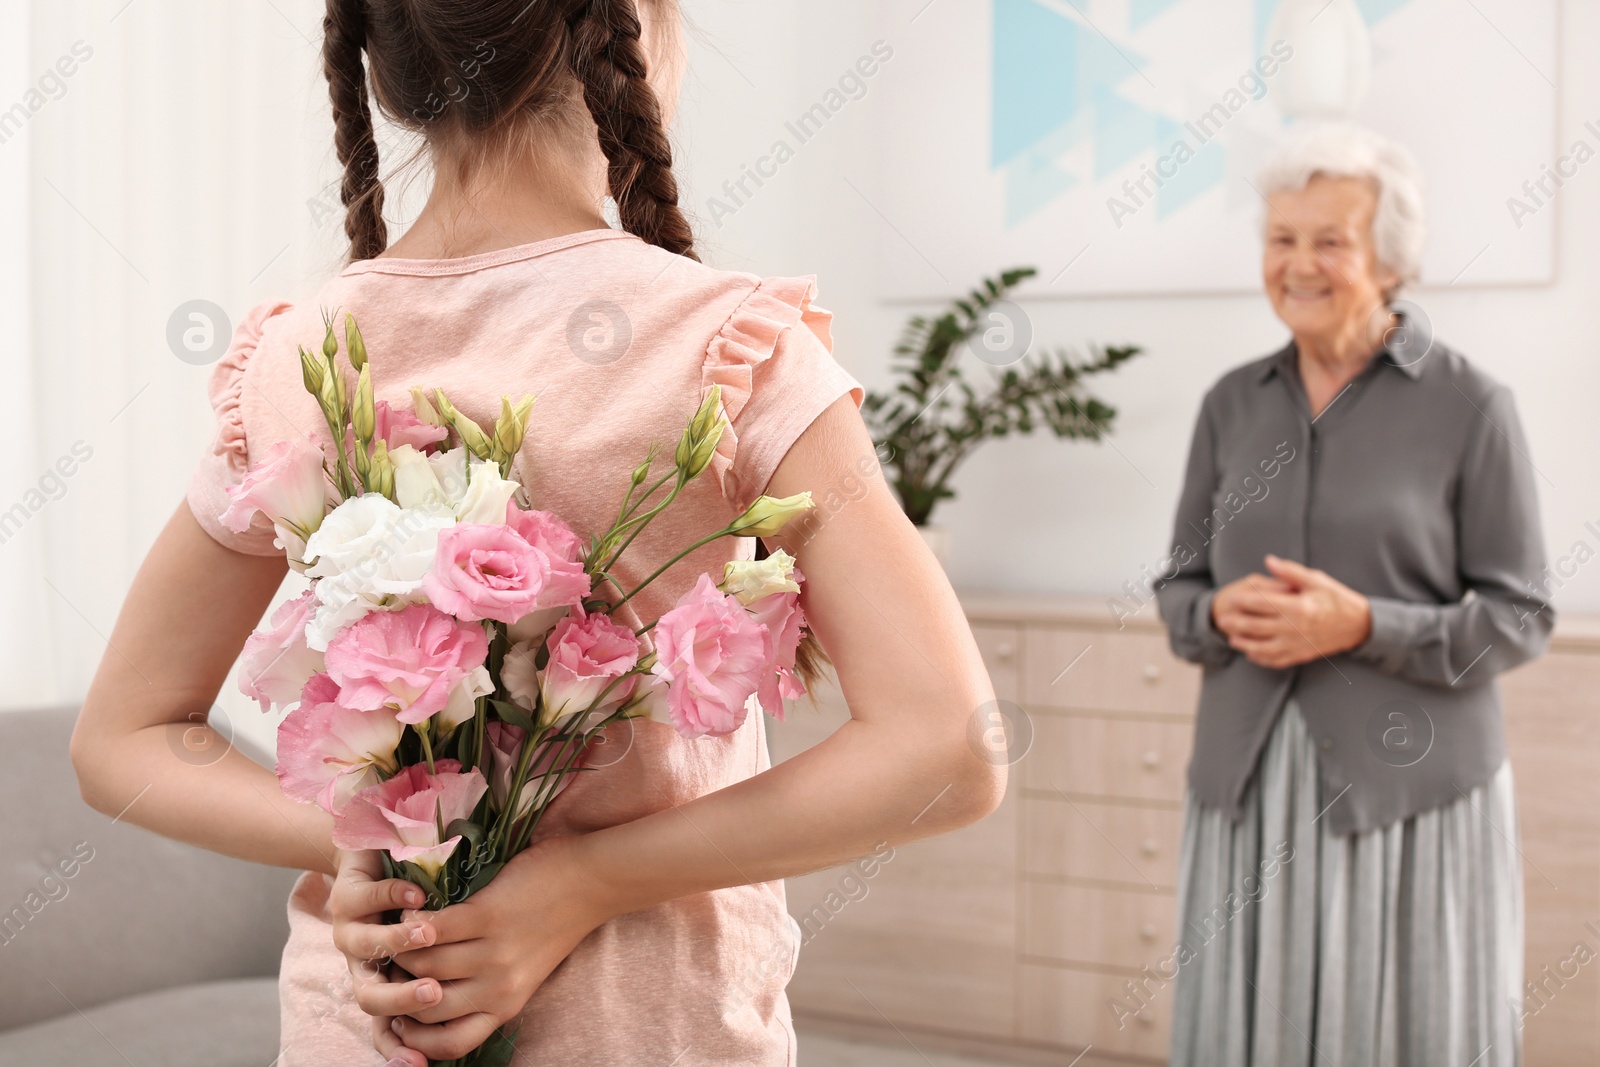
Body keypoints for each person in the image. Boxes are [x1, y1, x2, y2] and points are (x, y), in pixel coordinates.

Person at [67, 2, 1005, 1064]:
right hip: (656, 1032)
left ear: (379, 73)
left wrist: (370, 839)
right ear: (638, 30)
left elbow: (121, 739)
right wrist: (582, 879)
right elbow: (948, 748)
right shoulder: (727, 346)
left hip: (359, 1024)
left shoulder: (293, 360)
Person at [1155, 121, 1551, 1066]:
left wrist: (1364, 623)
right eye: (1281, 239)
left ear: (1389, 257)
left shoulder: (1472, 407)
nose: (1299, 263)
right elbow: (1178, 588)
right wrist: (1212, 613)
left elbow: (1521, 617)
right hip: (1248, 785)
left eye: (1329, 239)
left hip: (1414, 791)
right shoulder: (1230, 403)